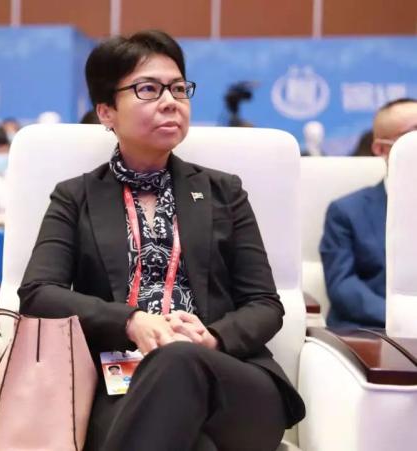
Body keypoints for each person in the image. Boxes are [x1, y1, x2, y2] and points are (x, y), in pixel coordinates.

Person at [18, 30, 305, 451]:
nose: (171, 101)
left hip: (231, 381)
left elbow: (264, 304)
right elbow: (38, 294)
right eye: (148, 89)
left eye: (178, 89)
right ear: (106, 111)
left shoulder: (223, 192)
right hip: (123, 380)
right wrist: (130, 322)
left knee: (179, 360)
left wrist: (212, 337)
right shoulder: (76, 197)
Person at [321, 98, 417, 328]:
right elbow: (343, 287)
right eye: (413, 134)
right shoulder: (346, 211)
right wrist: (404, 320)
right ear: (381, 149)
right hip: (373, 330)